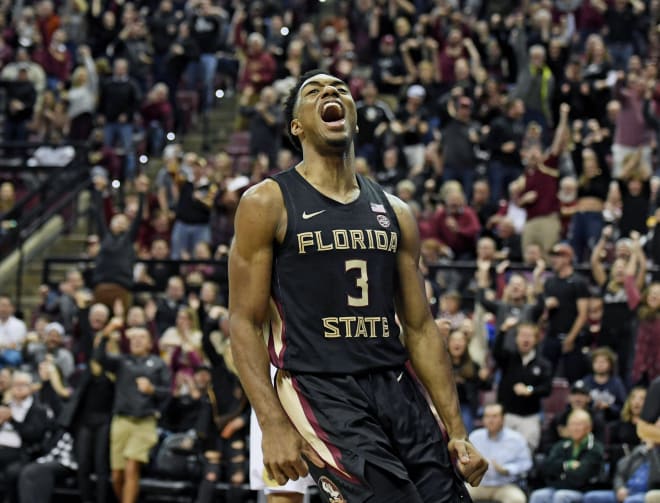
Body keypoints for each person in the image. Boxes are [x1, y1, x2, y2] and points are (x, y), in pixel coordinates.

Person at [228, 70, 488, 502]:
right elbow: (243, 321)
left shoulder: (396, 211)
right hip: (320, 387)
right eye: (314, 92)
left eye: (340, 89)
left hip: (395, 385)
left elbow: (421, 327)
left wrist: (458, 431)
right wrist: (272, 423)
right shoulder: (267, 202)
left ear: (354, 117)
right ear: (297, 126)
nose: (330, 92)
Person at [94, 325, 171, 503]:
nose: (136, 340)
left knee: (131, 468)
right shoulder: (122, 361)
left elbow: (168, 393)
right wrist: (105, 335)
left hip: (144, 422)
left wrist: (152, 390)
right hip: (121, 421)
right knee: (117, 474)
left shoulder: (158, 364)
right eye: (133, 338)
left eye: (141, 337)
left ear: (150, 343)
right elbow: (99, 358)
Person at [530, 409, 606, 503]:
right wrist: (567, 465)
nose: (575, 428)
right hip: (558, 487)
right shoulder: (562, 445)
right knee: (538, 495)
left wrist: (559, 474)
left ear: (589, 427)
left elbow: (580, 477)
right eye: (572, 424)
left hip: (584, 491)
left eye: (579, 424)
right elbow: (547, 467)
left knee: (561, 496)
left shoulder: (594, 448)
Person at [467, 403, 532, 503]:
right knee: (458, 495)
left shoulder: (516, 438)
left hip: (505, 485)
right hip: (479, 484)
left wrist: (507, 469)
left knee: (517, 499)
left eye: (495, 416)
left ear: (503, 419)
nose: (490, 420)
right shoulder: (475, 437)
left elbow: (527, 463)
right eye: (487, 416)